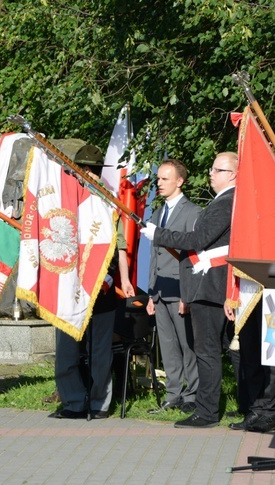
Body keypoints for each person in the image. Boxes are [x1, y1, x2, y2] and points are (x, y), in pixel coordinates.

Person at [141, 152, 237, 428]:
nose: (210, 173)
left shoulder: (222, 203)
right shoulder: (219, 202)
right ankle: (231, 406)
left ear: (231, 174)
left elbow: (199, 240)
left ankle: (205, 410)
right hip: (192, 285)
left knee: (205, 351)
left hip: (208, 284)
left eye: (217, 170)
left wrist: (158, 235)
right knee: (204, 350)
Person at [52, 143, 134, 419]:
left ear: (85, 170)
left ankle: (99, 403)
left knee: (99, 348)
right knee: (67, 347)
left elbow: (119, 245)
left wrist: (123, 278)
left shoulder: (108, 202)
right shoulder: (65, 198)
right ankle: (74, 401)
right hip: (69, 283)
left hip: (102, 282)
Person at [146, 159, 201, 414]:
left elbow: (193, 256)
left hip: (180, 289)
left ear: (179, 181)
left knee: (188, 346)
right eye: (158, 179)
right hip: (160, 292)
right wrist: (150, 293)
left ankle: (193, 395)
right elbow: (154, 256)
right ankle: (173, 393)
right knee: (168, 347)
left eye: (165, 179)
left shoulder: (193, 213)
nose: (159, 183)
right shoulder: (157, 214)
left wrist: (188, 294)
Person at [224, 300, 275, 432]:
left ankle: (272, 411)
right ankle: (257, 409)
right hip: (247, 295)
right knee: (250, 354)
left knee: (272, 353)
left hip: (272, 291)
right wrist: (230, 297)